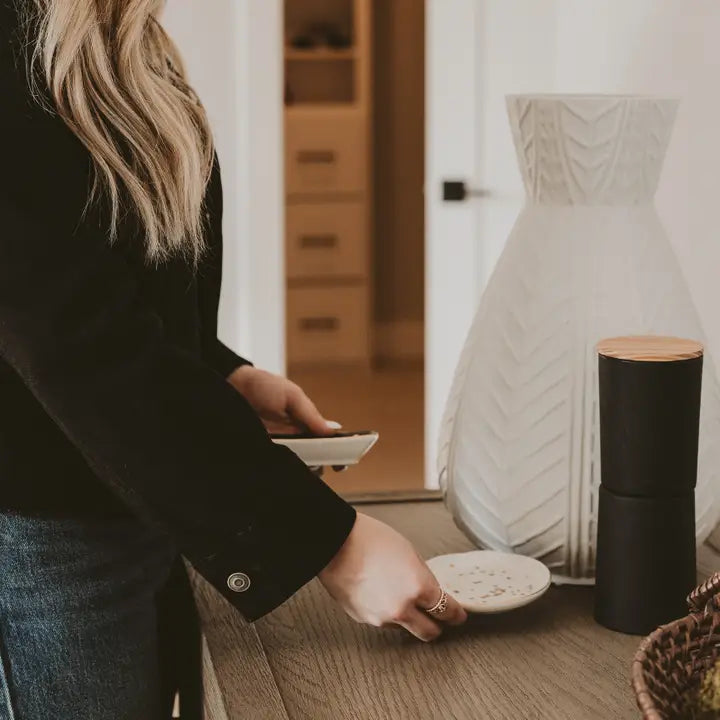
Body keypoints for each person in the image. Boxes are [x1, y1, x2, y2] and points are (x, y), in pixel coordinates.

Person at [0, 1, 467, 718]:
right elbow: (75, 341)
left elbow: (100, 277)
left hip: (117, 505)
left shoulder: (120, 38)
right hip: (44, 540)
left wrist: (219, 372)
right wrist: (330, 543)